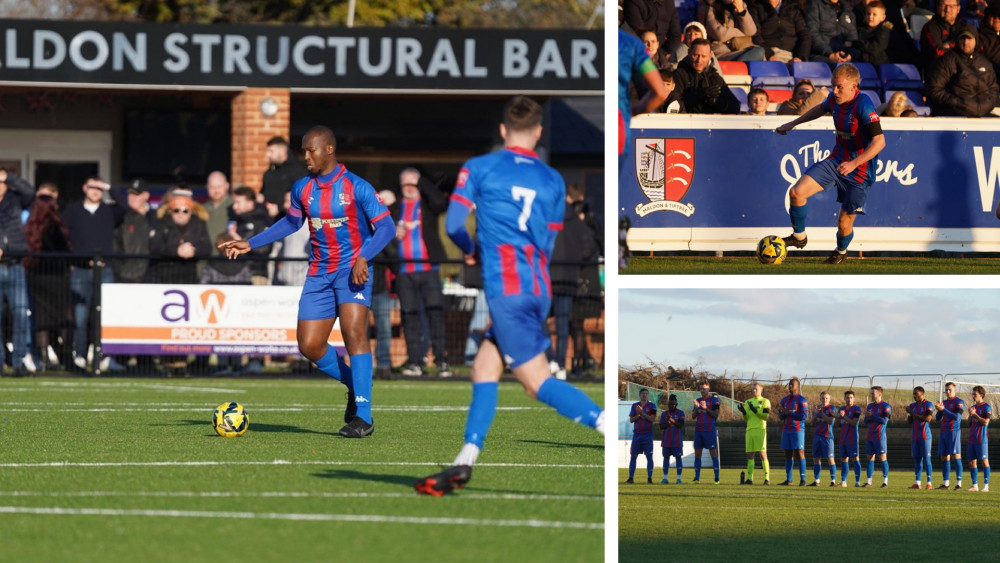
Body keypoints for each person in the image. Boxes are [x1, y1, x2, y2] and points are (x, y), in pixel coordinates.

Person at [414, 96, 605, 496]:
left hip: (507, 288)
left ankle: (616, 428)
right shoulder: (552, 179)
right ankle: (464, 460)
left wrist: (470, 247)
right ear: (537, 133)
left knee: (537, 384)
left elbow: (452, 225)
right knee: (484, 368)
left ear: (503, 131)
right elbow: (549, 242)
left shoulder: (480, 167)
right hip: (538, 286)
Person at [221, 126, 394, 438]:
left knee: (355, 334)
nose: (305, 157)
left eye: (310, 150)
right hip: (319, 273)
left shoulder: (357, 187)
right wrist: (252, 242)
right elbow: (290, 222)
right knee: (310, 345)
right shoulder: (303, 188)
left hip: (353, 271)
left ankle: (363, 416)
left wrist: (364, 256)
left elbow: (385, 227)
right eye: (303, 150)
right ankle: (355, 385)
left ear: (329, 149)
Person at [775, 63, 886, 264]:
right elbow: (820, 108)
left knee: (844, 223)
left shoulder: (863, 104)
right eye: (833, 85)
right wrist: (794, 123)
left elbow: (880, 142)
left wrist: (854, 163)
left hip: (859, 172)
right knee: (796, 193)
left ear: (854, 87)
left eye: (839, 87)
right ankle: (799, 237)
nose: (834, 91)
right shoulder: (835, 100)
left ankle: (841, 251)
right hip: (835, 161)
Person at [61, 174, 126, 370]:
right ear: (84, 188)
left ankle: (104, 355)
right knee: (80, 317)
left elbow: (124, 207)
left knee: (106, 317)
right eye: (92, 187)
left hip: (104, 270)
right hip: (81, 270)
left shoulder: (109, 211)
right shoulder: (73, 211)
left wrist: (108, 186)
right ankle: (80, 354)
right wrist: (74, 259)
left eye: (99, 188)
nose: (96, 191)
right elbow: (61, 232)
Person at [395, 167, 450, 378]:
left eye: (413, 184)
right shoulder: (395, 208)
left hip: (428, 269)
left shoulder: (427, 205)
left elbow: (441, 202)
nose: (410, 188)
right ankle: (415, 362)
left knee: (435, 315)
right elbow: (382, 230)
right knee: (409, 318)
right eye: (406, 184)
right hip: (404, 271)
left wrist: (422, 182)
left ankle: (441, 361)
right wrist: (394, 233)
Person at [24, 187, 71, 371]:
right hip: (55, 277)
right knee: (65, 318)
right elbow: (64, 251)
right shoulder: (54, 227)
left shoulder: (30, 227)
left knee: (42, 318)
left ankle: (43, 356)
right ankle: (66, 356)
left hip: (36, 277)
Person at [0, 169, 35, 375]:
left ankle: (19, 360)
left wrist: (8, 176)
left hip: (14, 265)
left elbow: (30, 191)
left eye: (2, 182)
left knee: (21, 314)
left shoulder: (14, 200)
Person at [618, 29, 668, 171]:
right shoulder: (631, 44)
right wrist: (631, 111)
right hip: (617, 129)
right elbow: (659, 92)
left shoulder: (581, 39)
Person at [925, 30, 999, 117]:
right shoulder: (946, 60)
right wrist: (956, 102)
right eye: (962, 38)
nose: (966, 42)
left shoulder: (985, 62)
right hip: (954, 114)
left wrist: (987, 105)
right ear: (957, 40)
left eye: (969, 39)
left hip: (983, 113)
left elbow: (993, 90)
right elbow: (934, 89)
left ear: (976, 40)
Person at [149, 189, 211, 285]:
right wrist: (177, 251)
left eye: (185, 210)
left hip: (190, 278)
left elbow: (207, 248)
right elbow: (155, 247)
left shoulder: (198, 224)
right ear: (171, 210)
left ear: (191, 211)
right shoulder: (161, 223)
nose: (180, 214)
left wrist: (193, 250)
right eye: (176, 210)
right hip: (164, 278)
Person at [674, 39, 742, 114]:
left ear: (710, 56)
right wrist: (700, 96)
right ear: (689, 52)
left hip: (711, 123)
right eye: (696, 55)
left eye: (703, 56)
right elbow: (675, 105)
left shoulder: (714, 77)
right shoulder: (679, 75)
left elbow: (735, 108)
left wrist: (717, 102)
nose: (699, 60)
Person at [112, 180, 155, 284]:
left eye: (136, 194)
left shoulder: (155, 217)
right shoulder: (122, 218)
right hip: (125, 278)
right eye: (130, 194)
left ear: (146, 196)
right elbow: (115, 247)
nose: (132, 197)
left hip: (151, 278)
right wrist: (121, 271)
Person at [230, 186, 272, 286]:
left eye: (238, 202)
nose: (234, 206)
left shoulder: (262, 221)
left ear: (250, 203)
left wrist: (242, 242)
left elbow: (264, 248)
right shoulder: (239, 220)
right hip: (236, 271)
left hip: (256, 274)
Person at [920, 0, 977, 70]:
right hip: (938, 71)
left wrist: (949, 44)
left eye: (951, 6)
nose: (947, 10)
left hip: (965, 70)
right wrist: (960, 45)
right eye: (944, 5)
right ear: (937, 7)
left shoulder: (965, 26)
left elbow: (977, 50)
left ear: (958, 9)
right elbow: (938, 53)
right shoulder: (930, 27)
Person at [261, 136, 308, 219]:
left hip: (288, 219)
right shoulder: (269, 172)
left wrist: (279, 208)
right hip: (268, 220)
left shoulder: (297, 171)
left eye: (271, 151)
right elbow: (264, 193)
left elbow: (301, 197)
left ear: (282, 151)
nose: (267, 155)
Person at [624, 0, 682, 64]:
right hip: (638, 56)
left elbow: (675, 35)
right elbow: (636, 33)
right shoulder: (633, 2)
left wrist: (662, 54)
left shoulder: (669, 3)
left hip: (662, 57)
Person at [777, 377, 809, 485]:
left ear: (797, 386)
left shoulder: (802, 400)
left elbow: (804, 416)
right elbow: (780, 417)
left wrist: (789, 412)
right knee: (787, 453)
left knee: (799, 452)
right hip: (786, 430)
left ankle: (803, 479)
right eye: (789, 384)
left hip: (798, 430)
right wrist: (782, 413)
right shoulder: (784, 400)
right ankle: (789, 480)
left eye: (792, 384)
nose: (790, 386)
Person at [738, 382, 770, 485]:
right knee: (750, 455)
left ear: (761, 390)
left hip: (760, 430)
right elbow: (747, 418)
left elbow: (765, 417)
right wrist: (743, 412)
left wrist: (754, 411)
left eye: (756, 389)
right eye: (753, 389)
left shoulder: (765, 401)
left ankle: (767, 479)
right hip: (750, 430)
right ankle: (750, 479)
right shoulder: (748, 402)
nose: (754, 390)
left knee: (762, 454)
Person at [935, 381, 965, 489]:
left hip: (954, 432)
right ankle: (946, 484)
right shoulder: (944, 402)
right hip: (943, 432)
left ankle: (959, 483)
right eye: (946, 390)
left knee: (956, 456)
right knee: (944, 457)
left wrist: (944, 410)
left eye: (950, 390)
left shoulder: (959, 402)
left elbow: (957, 417)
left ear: (955, 390)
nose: (948, 392)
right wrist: (939, 409)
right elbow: (937, 418)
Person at [691, 381, 721, 484]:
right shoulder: (698, 400)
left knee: (713, 453)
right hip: (699, 431)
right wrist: (697, 408)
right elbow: (693, 416)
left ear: (708, 389)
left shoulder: (715, 400)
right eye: (700, 389)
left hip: (709, 430)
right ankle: (696, 478)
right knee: (697, 454)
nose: (702, 390)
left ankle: (716, 478)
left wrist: (705, 408)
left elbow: (716, 415)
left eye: (704, 388)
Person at [906, 386, 935, 489]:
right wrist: (909, 414)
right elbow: (910, 421)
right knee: (917, 459)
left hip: (925, 436)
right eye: (913, 394)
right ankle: (917, 483)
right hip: (915, 436)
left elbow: (928, 419)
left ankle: (929, 483)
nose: (914, 396)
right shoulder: (912, 406)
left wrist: (913, 414)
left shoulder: (928, 405)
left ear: (922, 394)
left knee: (927, 459)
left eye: (916, 394)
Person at [626, 388, 657, 484]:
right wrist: (639, 415)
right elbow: (631, 420)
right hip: (637, 434)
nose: (644, 395)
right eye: (643, 393)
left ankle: (649, 479)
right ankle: (631, 478)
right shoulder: (635, 405)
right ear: (640, 395)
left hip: (647, 435)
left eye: (646, 393)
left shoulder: (652, 406)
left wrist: (642, 413)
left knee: (649, 456)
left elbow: (652, 419)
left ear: (648, 395)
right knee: (633, 456)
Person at [863, 385, 892, 487]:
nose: (871, 395)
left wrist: (872, 416)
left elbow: (884, 421)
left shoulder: (886, 406)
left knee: (882, 457)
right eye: (871, 393)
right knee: (869, 458)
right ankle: (869, 481)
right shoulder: (870, 406)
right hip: (870, 436)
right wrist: (868, 416)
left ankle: (885, 482)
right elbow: (865, 421)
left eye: (873, 393)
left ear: (880, 394)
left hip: (880, 436)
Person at [810, 391, 838, 486]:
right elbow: (812, 423)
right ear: (820, 399)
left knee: (830, 458)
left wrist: (821, 413)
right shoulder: (817, 408)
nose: (824, 400)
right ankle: (817, 481)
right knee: (816, 458)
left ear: (829, 399)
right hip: (817, 436)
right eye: (822, 398)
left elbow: (831, 421)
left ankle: (833, 481)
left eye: (826, 398)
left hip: (827, 437)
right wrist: (814, 414)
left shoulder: (832, 408)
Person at [966, 385, 991, 492]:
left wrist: (975, 414)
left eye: (975, 394)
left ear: (981, 395)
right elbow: (968, 424)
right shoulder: (973, 407)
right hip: (972, 439)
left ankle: (986, 485)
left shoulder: (987, 407)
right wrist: (970, 415)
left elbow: (985, 422)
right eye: (972, 394)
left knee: (984, 461)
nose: (973, 396)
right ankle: (974, 485)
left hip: (981, 439)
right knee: (971, 462)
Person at [838, 390, 863, 487]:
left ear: (854, 399)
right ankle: (843, 482)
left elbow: (854, 423)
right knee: (844, 459)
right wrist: (838, 416)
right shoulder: (842, 409)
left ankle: (857, 481)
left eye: (851, 397)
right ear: (844, 398)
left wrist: (844, 416)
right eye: (847, 397)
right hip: (843, 438)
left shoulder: (857, 409)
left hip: (852, 438)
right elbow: (837, 423)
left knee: (855, 458)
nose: (849, 399)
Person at [856, 1, 893, 67]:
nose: (870, 17)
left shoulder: (884, 30)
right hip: (862, 64)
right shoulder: (861, 30)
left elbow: (876, 47)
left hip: (878, 65)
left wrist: (859, 44)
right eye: (868, 14)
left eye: (874, 14)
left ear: (883, 18)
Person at [203, 171, 233, 252]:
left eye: (219, 186)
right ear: (207, 187)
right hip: (206, 259)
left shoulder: (234, 206)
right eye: (212, 187)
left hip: (226, 258)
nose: (216, 190)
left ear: (227, 186)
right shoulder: (202, 208)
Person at [659, 394, 686, 484]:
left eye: (673, 404)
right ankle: (665, 478)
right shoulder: (664, 414)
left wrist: (672, 420)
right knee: (666, 458)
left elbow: (680, 425)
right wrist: (667, 422)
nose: (671, 406)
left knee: (678, 458)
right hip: (666, 441)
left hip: (677, 441)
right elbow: (661, 427)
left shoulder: (681, 413)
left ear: (676, 404)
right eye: (670, 404)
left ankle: (678, 479)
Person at [979, 3, 1000, 78]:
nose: (997, 20)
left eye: (999, 17)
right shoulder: (978, 36)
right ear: (987, 17)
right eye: (994, 16)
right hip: (988, 76)